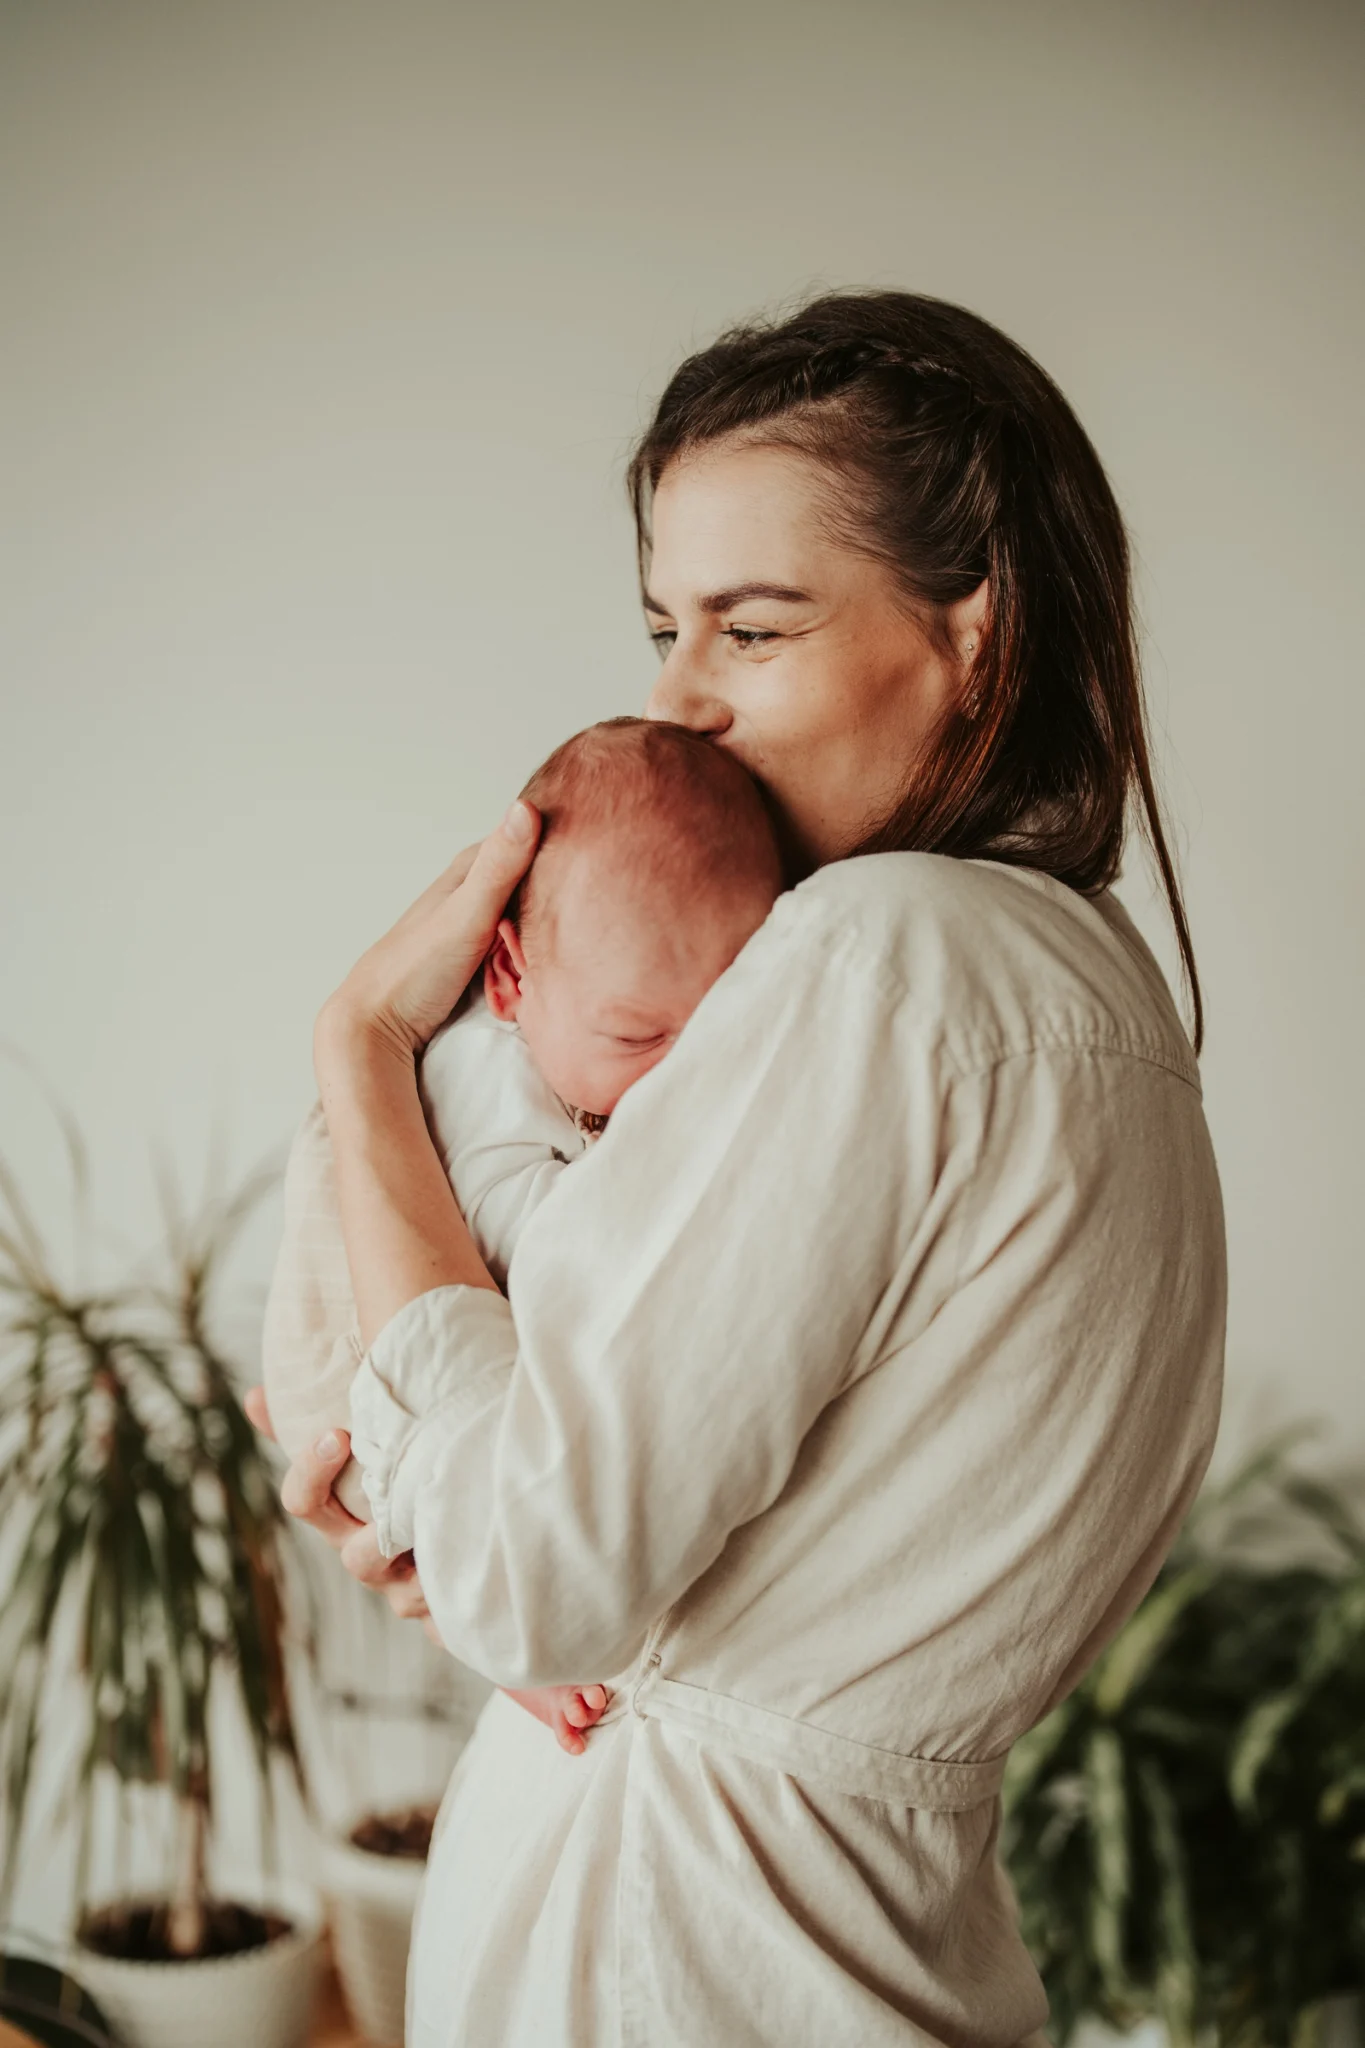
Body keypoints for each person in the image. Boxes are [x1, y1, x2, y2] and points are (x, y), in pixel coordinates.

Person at [253, 290, 1226, 2047]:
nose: (679, 701)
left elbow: (532, 1565)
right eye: (663, 628)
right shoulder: (1104, 997)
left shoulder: (877, 955)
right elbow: (626, 1514)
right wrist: (451, 1488)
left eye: (754, 629)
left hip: (679, 1965)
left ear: (977, 642)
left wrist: (360, 1049)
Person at [260, 716, 782, 1750]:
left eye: (714, 1031)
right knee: (455, 1490)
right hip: (341, 1358)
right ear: (508, 978)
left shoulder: (595, 1025)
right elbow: (541, 1266)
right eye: (637, 1035)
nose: (675, 1077)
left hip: (417, 1340)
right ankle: (505, 1648)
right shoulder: (485, 1078)